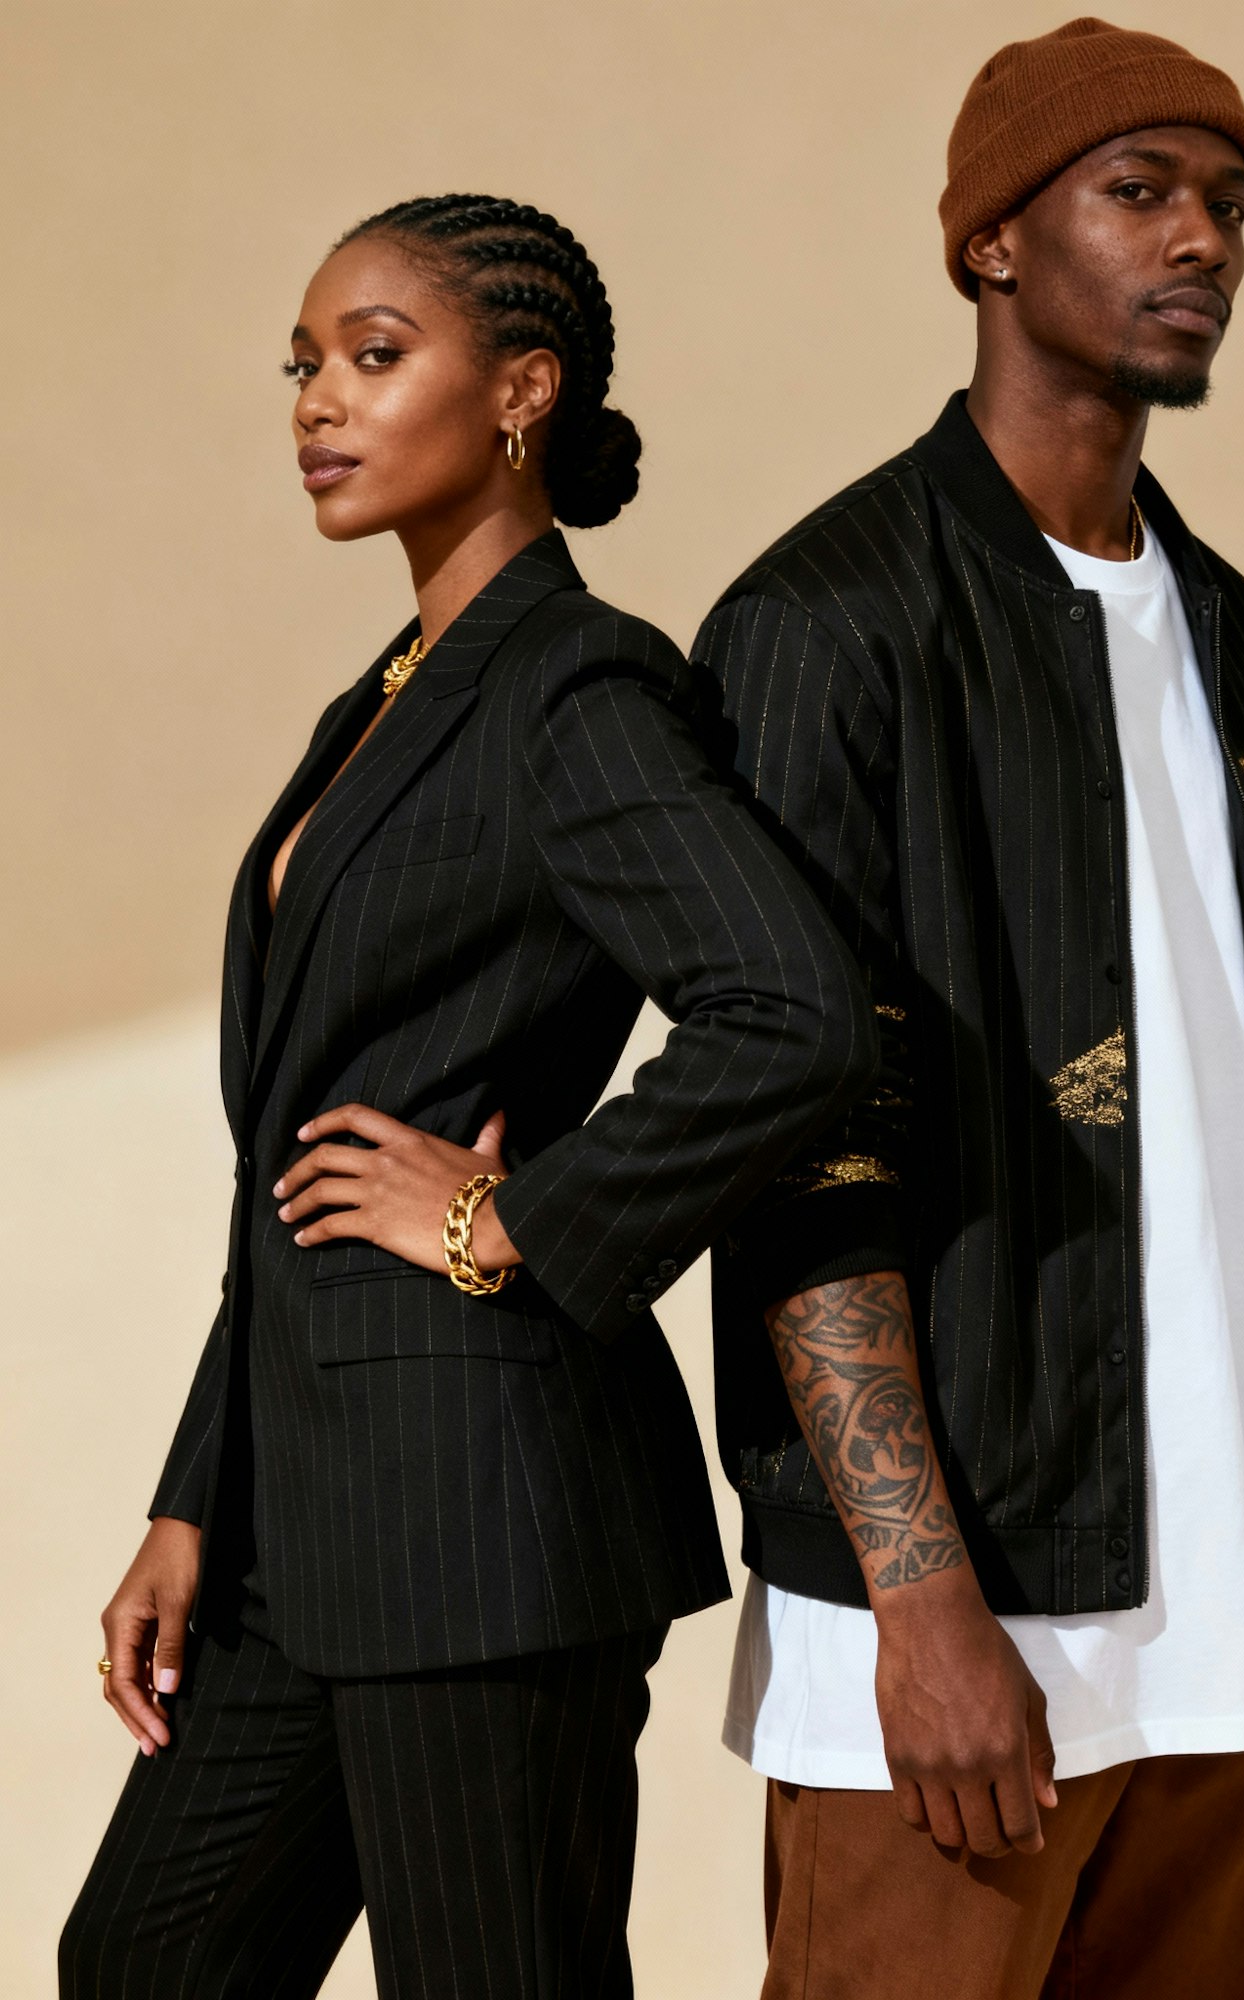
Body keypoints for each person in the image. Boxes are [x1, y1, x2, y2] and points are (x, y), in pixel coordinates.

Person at [60, 193, 877, 2000]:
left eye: (372, 355)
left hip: (483, 1513)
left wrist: (521, 1217)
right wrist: (197, 1499)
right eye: (302, 365)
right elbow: (299, 1160)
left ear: (522, 388)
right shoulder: (389, 697)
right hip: (298, 1511)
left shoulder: (577, 688)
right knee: (141, 1964)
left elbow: (794, 1013)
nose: (316, 402)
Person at [696, 20, 1244, 1999]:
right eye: (1140, 191)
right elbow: (788, 1140)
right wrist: (919, 1602)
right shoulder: (824, 628)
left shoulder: (1235, 634)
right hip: (962, 1632)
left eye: (1229, 203)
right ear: (991, 241)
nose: (1205, 240)